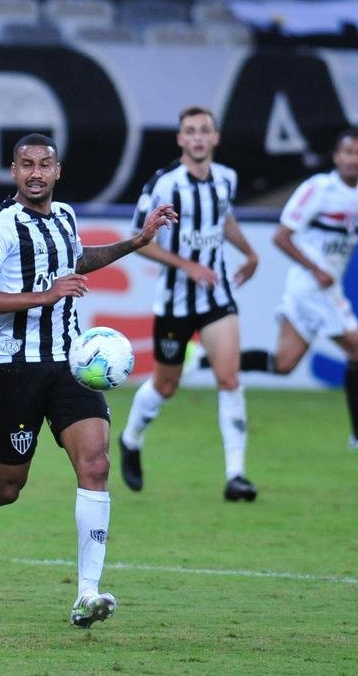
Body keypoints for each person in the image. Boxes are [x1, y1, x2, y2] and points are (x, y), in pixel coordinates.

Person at [0, 134, 176, 628]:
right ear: (13, 171)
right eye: (26, 165)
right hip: (16, 366)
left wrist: (136, 243)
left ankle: (86, 595)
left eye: (44, 165)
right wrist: (43, 296)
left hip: (72, 363)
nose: (35, 173)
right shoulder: (1, 226)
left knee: (95, 464)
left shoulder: (66, 216)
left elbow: (75, 261)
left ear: (58, 171)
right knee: (8, 485)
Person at [192, 128, 358, 456]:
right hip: (311, 287)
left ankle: (202, 360)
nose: (353, 158)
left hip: (325, 286)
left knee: (283, 364)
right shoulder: (318, 189)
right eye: (347, 152)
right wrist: (316, 268)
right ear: (336, 157)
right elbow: (282, 236)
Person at [118, 106, 262, 501]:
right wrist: (186, 265)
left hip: (216, 296)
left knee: (229, 379)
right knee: (166, 385)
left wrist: (250, 252)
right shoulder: (164, 184)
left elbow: (224, 218)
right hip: (174, 301)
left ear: (215, 138)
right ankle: (130, 440)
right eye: (190, 131)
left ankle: (236, 475)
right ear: (180, 139)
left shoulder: (227, 179)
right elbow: (138, 239)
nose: (198, 137)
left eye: (205, 131)